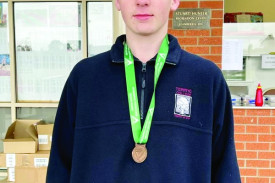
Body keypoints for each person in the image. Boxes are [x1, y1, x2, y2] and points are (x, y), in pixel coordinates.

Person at [46, 0, 241, 182]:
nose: (142, 1)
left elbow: (225, 170)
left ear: (174, 1)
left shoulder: (206, 79)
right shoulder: (84, 78)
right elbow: (59, 167)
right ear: (117, 2)